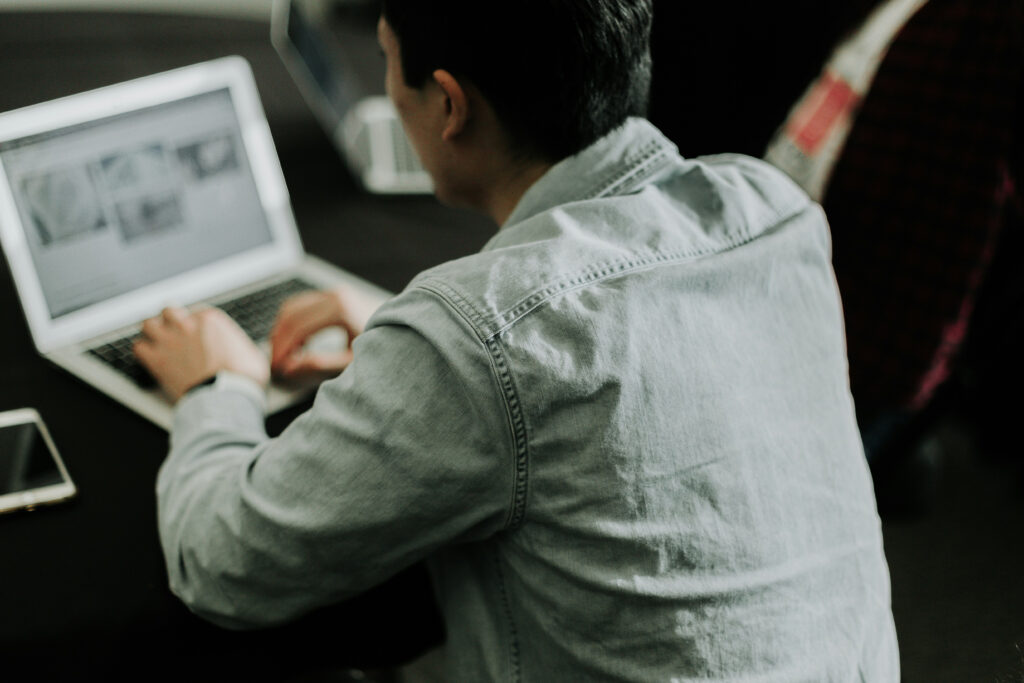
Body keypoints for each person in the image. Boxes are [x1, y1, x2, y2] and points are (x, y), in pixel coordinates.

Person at [134, 1, 899, 680]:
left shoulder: (479, 339)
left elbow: (223, 563)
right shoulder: (773, 211)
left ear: (451, 107)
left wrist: (217, 386)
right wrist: (416, 342)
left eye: (388, 63)